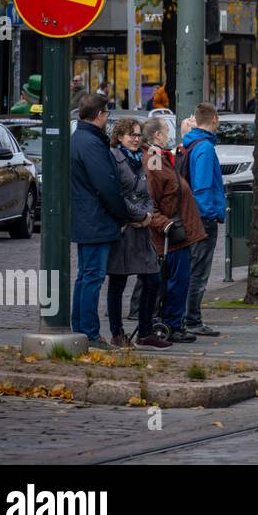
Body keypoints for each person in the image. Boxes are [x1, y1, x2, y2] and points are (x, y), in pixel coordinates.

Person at [104, 118, 170, 349]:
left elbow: (147, 194)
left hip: (142, 231)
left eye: (138, 134)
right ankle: (117, 333)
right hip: (124, 229)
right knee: (118, 281)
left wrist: (149, 216)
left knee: (153, 279)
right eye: (130, 134)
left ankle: (145, 332)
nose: (135, 138)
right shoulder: (113, 158)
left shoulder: (143, 159)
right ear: (119, 137)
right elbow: (116, 195)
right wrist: (138, 217)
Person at [69, 94, 128, 348]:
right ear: (99, 115)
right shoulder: (91, 143)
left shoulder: (80, 139)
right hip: (96, 219)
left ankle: (81, 327)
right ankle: (89, 332)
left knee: (86, 276)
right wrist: (122, 214)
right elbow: (106, 184)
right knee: (92, 277)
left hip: (87, 217)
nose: (108, 118)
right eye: (107, 114)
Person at [142, 117, 206, 344]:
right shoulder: (155, 160)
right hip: (171, 233)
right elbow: (151, 198)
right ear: (157, 135)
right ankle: (171, 322)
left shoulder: (161, 157)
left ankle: (173, 321)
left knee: (180, 278)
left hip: (178, 230)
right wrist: (163, 223)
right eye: (166, 130)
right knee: (176, 280)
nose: (169, 134)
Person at [182, 103, 225, 337]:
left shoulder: (192, 143)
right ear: (214, 119)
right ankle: (192, 319)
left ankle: (185, 317)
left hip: (194, 216)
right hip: (202, 218)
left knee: (191, 268)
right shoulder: (206, 148)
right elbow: (203, 186)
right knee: (198, 271)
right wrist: (209, 214)